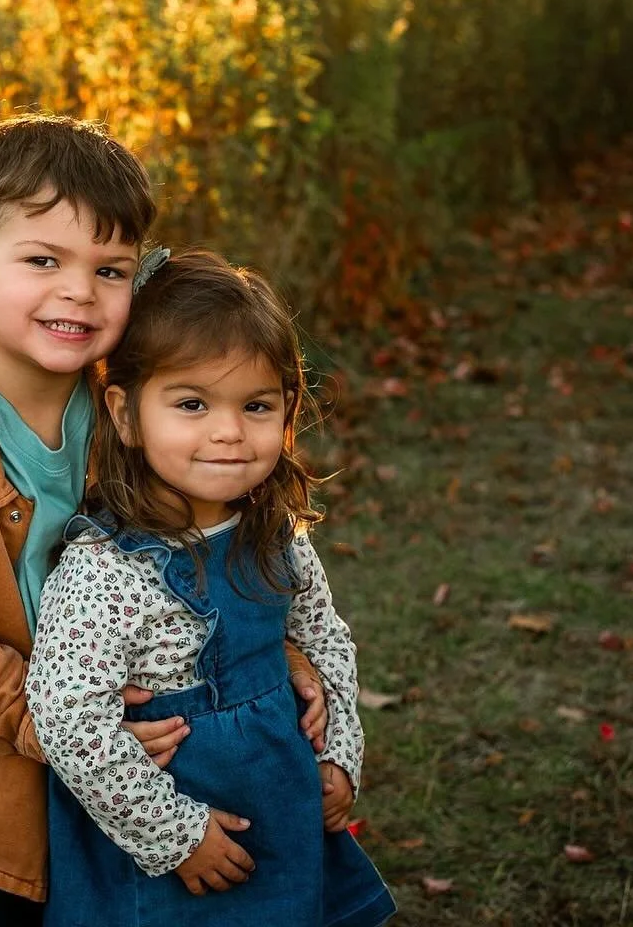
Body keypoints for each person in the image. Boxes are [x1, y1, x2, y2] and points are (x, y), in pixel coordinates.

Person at [0, 117, 329, 926]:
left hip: (130, 747)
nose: (79, 290)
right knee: (7, 909)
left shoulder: (127, 402)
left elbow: (189, 540)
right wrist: (50, 721)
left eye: (110, 269)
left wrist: (260, 636)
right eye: (43, 260)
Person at [27, 249, 397, 927]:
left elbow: (324, 638)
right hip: (166, 847)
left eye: (255, 405)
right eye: (192, 404)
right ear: (127, 414)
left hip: (279, 809)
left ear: (287, 411)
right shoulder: (105, 571)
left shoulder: (272, 532)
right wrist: (176, 836)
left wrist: (341, 751)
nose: (229, 432)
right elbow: (68, 717)